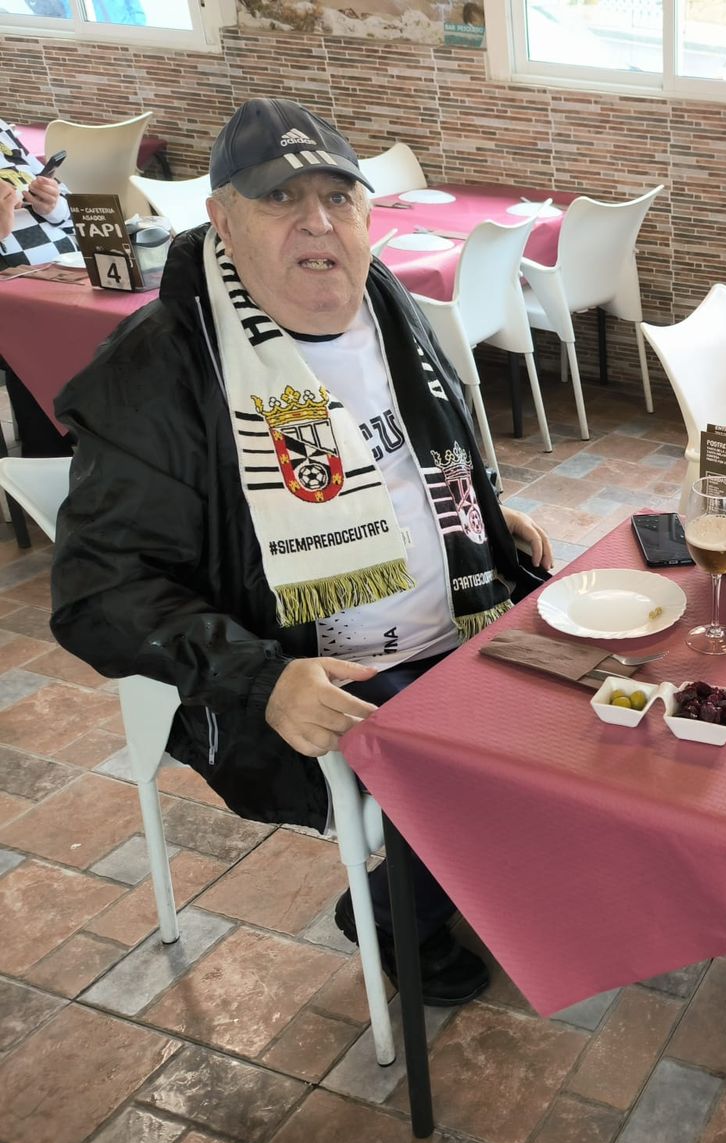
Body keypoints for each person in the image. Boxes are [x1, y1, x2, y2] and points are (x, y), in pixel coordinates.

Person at [50, 98, 553, 1006]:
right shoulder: (161, 367)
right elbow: (99, 590)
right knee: (482, 754)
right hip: (308, 663)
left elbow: (414, 451)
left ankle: (444, 877)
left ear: (370, 216)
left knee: (599, 704)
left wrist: (480, 515)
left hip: (460, 609)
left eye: (338, 197)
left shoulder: (383, 300)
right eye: (283, 199)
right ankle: (400, 917)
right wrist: (256, 678)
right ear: (224, 221)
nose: (318, 223)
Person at [1, 116, 76, 457]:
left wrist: (55, 205)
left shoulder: (3, 132)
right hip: (20, 299)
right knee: (41, 337)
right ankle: (50, 461)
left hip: (67, 274)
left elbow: (77, 214)